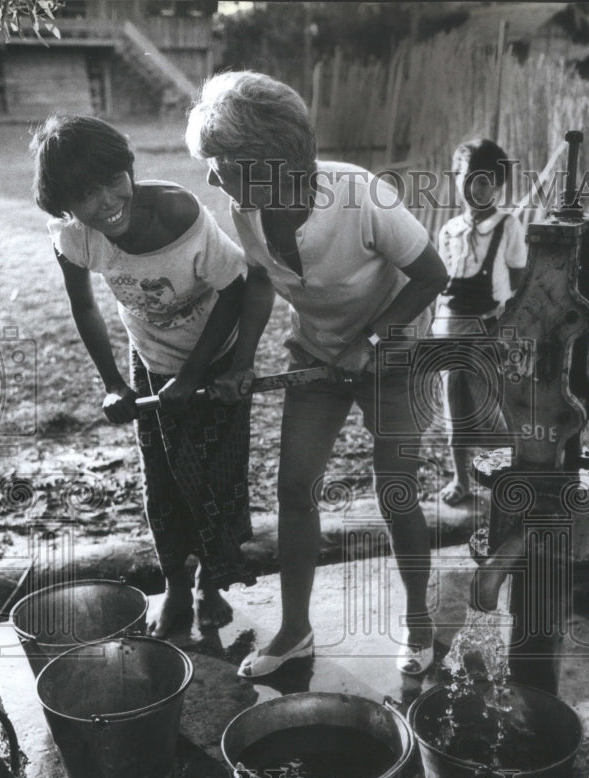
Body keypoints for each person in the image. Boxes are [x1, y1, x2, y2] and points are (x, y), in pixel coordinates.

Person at [185, 71, 448, 677]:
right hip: (317, 354)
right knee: (294, 488)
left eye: (217, 162)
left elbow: (435, 276)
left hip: (397, 356)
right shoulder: (246, 205)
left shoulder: (359, 195)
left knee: (396, 489)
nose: (209, 177)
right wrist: (245, 360)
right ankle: (296, 630)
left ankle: (419, 622)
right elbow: (258, 282)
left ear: (261, 162)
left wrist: (373, 341)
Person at [30, 115, 272, 638]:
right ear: (65, 206)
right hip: (151, 361)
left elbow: (235, 288)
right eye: (84, 195)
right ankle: (177, 587)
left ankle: (211, 582)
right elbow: (86, 307)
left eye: (112, 179)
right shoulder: (75, 238)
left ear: (129, 168)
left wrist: (194, 376)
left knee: (217, 476)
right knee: (162, 482)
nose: (106, 202)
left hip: (216, 359)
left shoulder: (177, 212)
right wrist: (114, 383)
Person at [434, 138, 527, 505]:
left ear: (499, 185)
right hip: (448, 329)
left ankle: (503, 481)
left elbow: (518, 283)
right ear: (457, 178)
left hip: (488, 329)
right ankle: (461, 480)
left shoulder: (508, 226)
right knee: (453, 405)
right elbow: (440, 284)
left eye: (486, 180)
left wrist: (507, 327)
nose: (476, 187)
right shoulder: (449, 230)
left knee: (489, 408)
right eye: (467, 177)